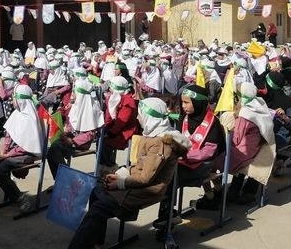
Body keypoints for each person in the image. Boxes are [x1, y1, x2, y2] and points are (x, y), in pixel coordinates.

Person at [68, 98, 190, 249]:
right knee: (96, 192)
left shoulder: (161, 143)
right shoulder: (154, 134)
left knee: (99, 209)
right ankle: (95, 240)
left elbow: (146, 178)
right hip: (138, 183)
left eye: (140, 114)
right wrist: (121, 173)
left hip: (147, 189)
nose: (138, 118)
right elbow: (139, 166)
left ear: (149, 117)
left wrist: (119, 183)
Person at [153, 85, 225, 229]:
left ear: (198, 103)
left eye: (187, 102)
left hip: (202, 165)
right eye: (182, 102)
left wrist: (185, 155)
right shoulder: (184, 119)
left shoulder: (213, 123)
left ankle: (167, 216)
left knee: (170, 175)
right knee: (167, 171)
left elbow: (208, 152)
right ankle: (167, 216)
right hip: (182, 163)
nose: (183, 106)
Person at [0, 84, 45, 214]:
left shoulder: (30, 118)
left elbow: (26, 146)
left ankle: (20, 198)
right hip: (13, 153)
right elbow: (9, 135)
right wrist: (3, 150)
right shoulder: (16, 114)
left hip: (26, 153)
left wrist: (7, 155)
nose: (12, 101)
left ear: (20, 100)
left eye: (14, 98)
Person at [46, 77, 104, 179]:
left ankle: (63, 179)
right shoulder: (76, 105)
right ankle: (62, 178)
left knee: (54, 150)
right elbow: (71, 123)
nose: (72, 94)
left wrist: (72, 141)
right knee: (52, 149)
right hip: (70, 138)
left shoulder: (90, 108)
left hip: (81, 143)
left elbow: (90, 134)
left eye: (75, 91)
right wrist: (66, 131)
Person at [99, 76, 138, 176]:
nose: (110, 90)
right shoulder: (114, 97)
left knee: (105, 143)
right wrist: (107, 128)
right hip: (116, 128)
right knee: (101, 140)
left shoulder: (128, 101)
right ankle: (103, 165)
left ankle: (109, 167)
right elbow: (109, 116)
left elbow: (122, 121)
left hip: (126, 131)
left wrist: (112, 132)